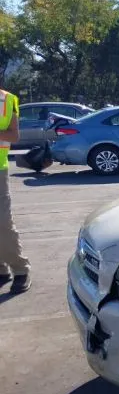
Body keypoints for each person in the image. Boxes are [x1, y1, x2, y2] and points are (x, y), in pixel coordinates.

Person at [0, 89, 31, 293]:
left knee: (2, 222)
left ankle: (21, 269)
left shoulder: (6, 99)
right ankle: (1, 269)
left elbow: (14, 135)